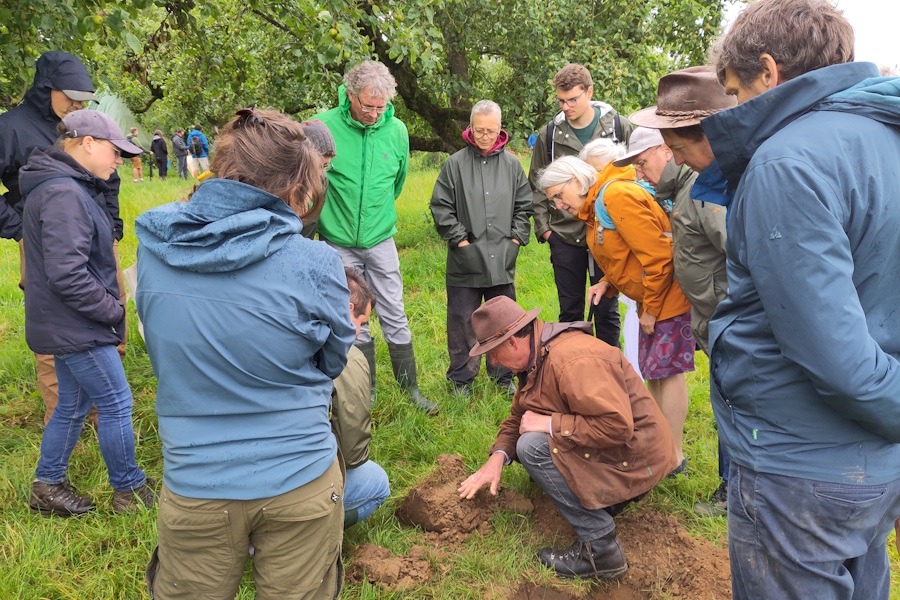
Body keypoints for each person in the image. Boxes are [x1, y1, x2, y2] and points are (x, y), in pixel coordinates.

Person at [701, 1, 900, 597]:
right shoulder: (885, 138)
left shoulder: (789, 162)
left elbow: (837, 359)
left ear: (770, 71)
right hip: (873, 464)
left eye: (735, 91)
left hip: (801, 466)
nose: (736, 108)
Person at [136, 107, 354, 600]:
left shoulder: (153, 244)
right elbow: (334, 360)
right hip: (299, 476)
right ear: (296, 190)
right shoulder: (316, 261)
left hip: (194, 482)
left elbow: (160, 341)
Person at [458, 296, 676, 579]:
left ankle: (601, 549)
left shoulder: (572, 360)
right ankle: (605, 501)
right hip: (620, 450)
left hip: (636, 456)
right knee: (527, 439)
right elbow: (518, 418)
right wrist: (498, 458)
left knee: (532, 447)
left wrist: (550, 423)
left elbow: (618, 427)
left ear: (512, 342)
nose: (494, 362)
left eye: (493, 353)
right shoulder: (534, 359)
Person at [20, 109, 155, 517]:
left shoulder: (64, 186)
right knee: (116, 403)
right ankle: (130, 492)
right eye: (115, 152)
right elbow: (67, 275)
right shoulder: (63, 193)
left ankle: (47, 485)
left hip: (63, 323)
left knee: (72, 405)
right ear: (88, 143)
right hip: (77, 326)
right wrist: (112, 309)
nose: (118, 161)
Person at [618, 66, 736, 516]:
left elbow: (739, 252)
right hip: (713, 316)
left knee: (732, 406)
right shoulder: (684, 186)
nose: (642, 173)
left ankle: (732, 493)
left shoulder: (703, 190)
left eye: (645, 161)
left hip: (729, 318)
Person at [538, 152, 694, 472]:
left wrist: (649, 310)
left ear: (576, 181)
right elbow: (629, 251)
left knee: (669, 374)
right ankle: (661, 448)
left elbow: (659, 256)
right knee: (655, 373)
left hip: (668, 297)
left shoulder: (615, 196)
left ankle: (674, 457)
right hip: (653, 296)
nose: (558, 205)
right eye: (552, 200)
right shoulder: (598, 204)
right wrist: (608, 283)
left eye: (558, 196)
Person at [0, 50, 125, 427]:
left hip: (98, 233)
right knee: (56, 323)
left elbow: (112, 179)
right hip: (42, 239)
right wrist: (16, 226)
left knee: (108, 307)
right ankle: (67, 417)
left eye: (82, 97)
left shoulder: (88, 124)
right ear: (45, 87)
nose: (75, 103)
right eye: (68, 94)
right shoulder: (11, 127)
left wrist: (113, 225)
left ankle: (108, 409)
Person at [318, 60, 437, 414]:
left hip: (381, 237)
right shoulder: (323, 126)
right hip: (338, 241)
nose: (373, 113)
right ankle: (364, 391)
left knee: (394, 311)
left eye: (380, 106)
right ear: (349, 95)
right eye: (366, 105)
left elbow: (397, 182)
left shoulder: (397, 130)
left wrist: (375, 219)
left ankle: (410, 388)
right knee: (354, 315)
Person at [429, 100, 532, 396]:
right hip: (464, 260)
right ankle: (462, 379)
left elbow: (525, 207)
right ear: (470, 128)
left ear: (500, 129)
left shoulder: (512, 165)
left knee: (505, 323)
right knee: (462, 321)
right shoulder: (455, 164)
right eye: (479, 130)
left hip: (502, 258)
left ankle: (505, 376)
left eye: (490, 130)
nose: (484, 137)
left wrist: (515, 241)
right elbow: (441, 207)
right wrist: (460, 240)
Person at [528, 64, 631, 348]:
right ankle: (574, 371)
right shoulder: (549, 133)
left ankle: (612, 372)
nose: (567, 106)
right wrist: (545, 230)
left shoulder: (618, 126)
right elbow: (536, 184)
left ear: (589, 92)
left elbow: (636, 172)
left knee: (606, 310)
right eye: (561, 100)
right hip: (565, 235)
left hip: (606, 230)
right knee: (570, 311)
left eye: (573, 99)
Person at [335, 267, 390, 528]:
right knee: (377, 482)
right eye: (362, 322)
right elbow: (353, 452)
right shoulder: (345, 356)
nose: (358, 334)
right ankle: (300, 535)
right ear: (348, 309)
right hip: (289, 487)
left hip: (216, 485)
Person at [298, 119, 336, 239]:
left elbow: (311, 224)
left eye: (325, 166)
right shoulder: (278, 182)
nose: (319, 173)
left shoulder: (322, 180)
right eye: (317, 165)